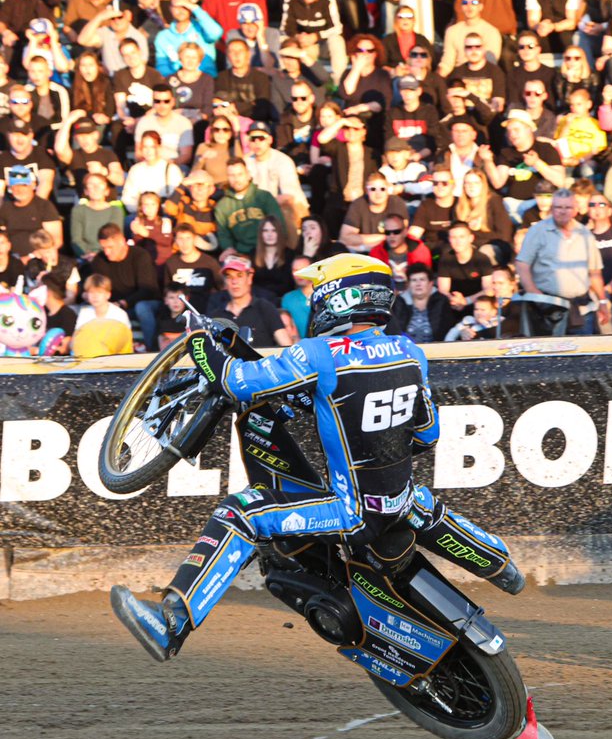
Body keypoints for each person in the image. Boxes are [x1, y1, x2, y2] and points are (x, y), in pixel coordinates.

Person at [111, 253, 524, 661]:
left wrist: (201, 341)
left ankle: (171, 623)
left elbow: (235, 382)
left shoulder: (319, 354)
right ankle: (502, 566)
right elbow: (426, 434)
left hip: (350, 513)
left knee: (241, 512)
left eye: (316, 293)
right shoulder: (409, 352)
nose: (313, 302)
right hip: (401, 502)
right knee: (422, 503)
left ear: (338, 298)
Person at [514, 188, 608, 334]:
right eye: (558, 207)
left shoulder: (585, 234)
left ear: (575, 210)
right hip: (548, 310)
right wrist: (535, 294)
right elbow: (522, 264)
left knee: (585, 355)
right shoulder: (538, 231)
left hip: (581, 310)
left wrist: (602, 301)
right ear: (552, 209)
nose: (563, 211)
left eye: (567, 207)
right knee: (550, 356)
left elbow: (594, 271)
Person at [90, 222, 159, 346]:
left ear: (121, 241)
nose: (106, 252)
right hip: (112, 306)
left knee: (142, 308)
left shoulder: (140, 256)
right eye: (103, 248)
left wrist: (123, 303)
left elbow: (147, 290)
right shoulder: (99, 260)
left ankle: (152, 349)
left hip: (141, 304)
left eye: (110, 247)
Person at [204, 254, 291, 346]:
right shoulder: (216, 315)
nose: (234, 281)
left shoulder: (265, 308)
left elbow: (285, 345)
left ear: (249, 278)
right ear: (225, 281)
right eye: (229, 276)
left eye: (239, 275)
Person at [214, 158, 285, 256]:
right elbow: (224, 234)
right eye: (232, 175)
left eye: (240, 174)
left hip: (268, 250)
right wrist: (229, 248)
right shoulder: (222, 206)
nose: (236, 179)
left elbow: (279, 224)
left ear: (248, 175)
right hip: (242, 254)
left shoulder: (264, 197)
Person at [154, 0, 223, 77]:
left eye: (184, 6)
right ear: (170, 9)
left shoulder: (202, 29)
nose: (181, 10)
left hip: (206, 81)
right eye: (177, 7)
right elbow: (162, 67)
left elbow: (216, 32)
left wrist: (194, 8)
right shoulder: (163, 37)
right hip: (177, 83)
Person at [0, 165, 62, 257]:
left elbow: (57, 240)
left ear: (33, 185)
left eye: (24, 185)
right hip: (10, 259)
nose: (19, 190)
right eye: (15, 186)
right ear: (10, 189)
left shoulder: (44, 206)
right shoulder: (5, 207)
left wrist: (32, 257)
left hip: (39, 258)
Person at [71, 173, 125, 261]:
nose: (96, 188)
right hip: (87, 256)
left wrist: (102, 255)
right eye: (91, 185)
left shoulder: (115, 210)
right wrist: (89, 254)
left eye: (100, 184)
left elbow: (115, 237)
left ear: (107, 190)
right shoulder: (78, 210)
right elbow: (76, 240)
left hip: (110, 254)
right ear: (86, 191)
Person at [135, 83, 194, 164]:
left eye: (166, 101)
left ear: (173, 101)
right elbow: (138, 153)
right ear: (152, 102)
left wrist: (166, 166)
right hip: (149, 166)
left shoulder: (184, 123)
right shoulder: (144, 123)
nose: (162, 105)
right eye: (157, 101)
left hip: (176, 166)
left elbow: (186, 155)